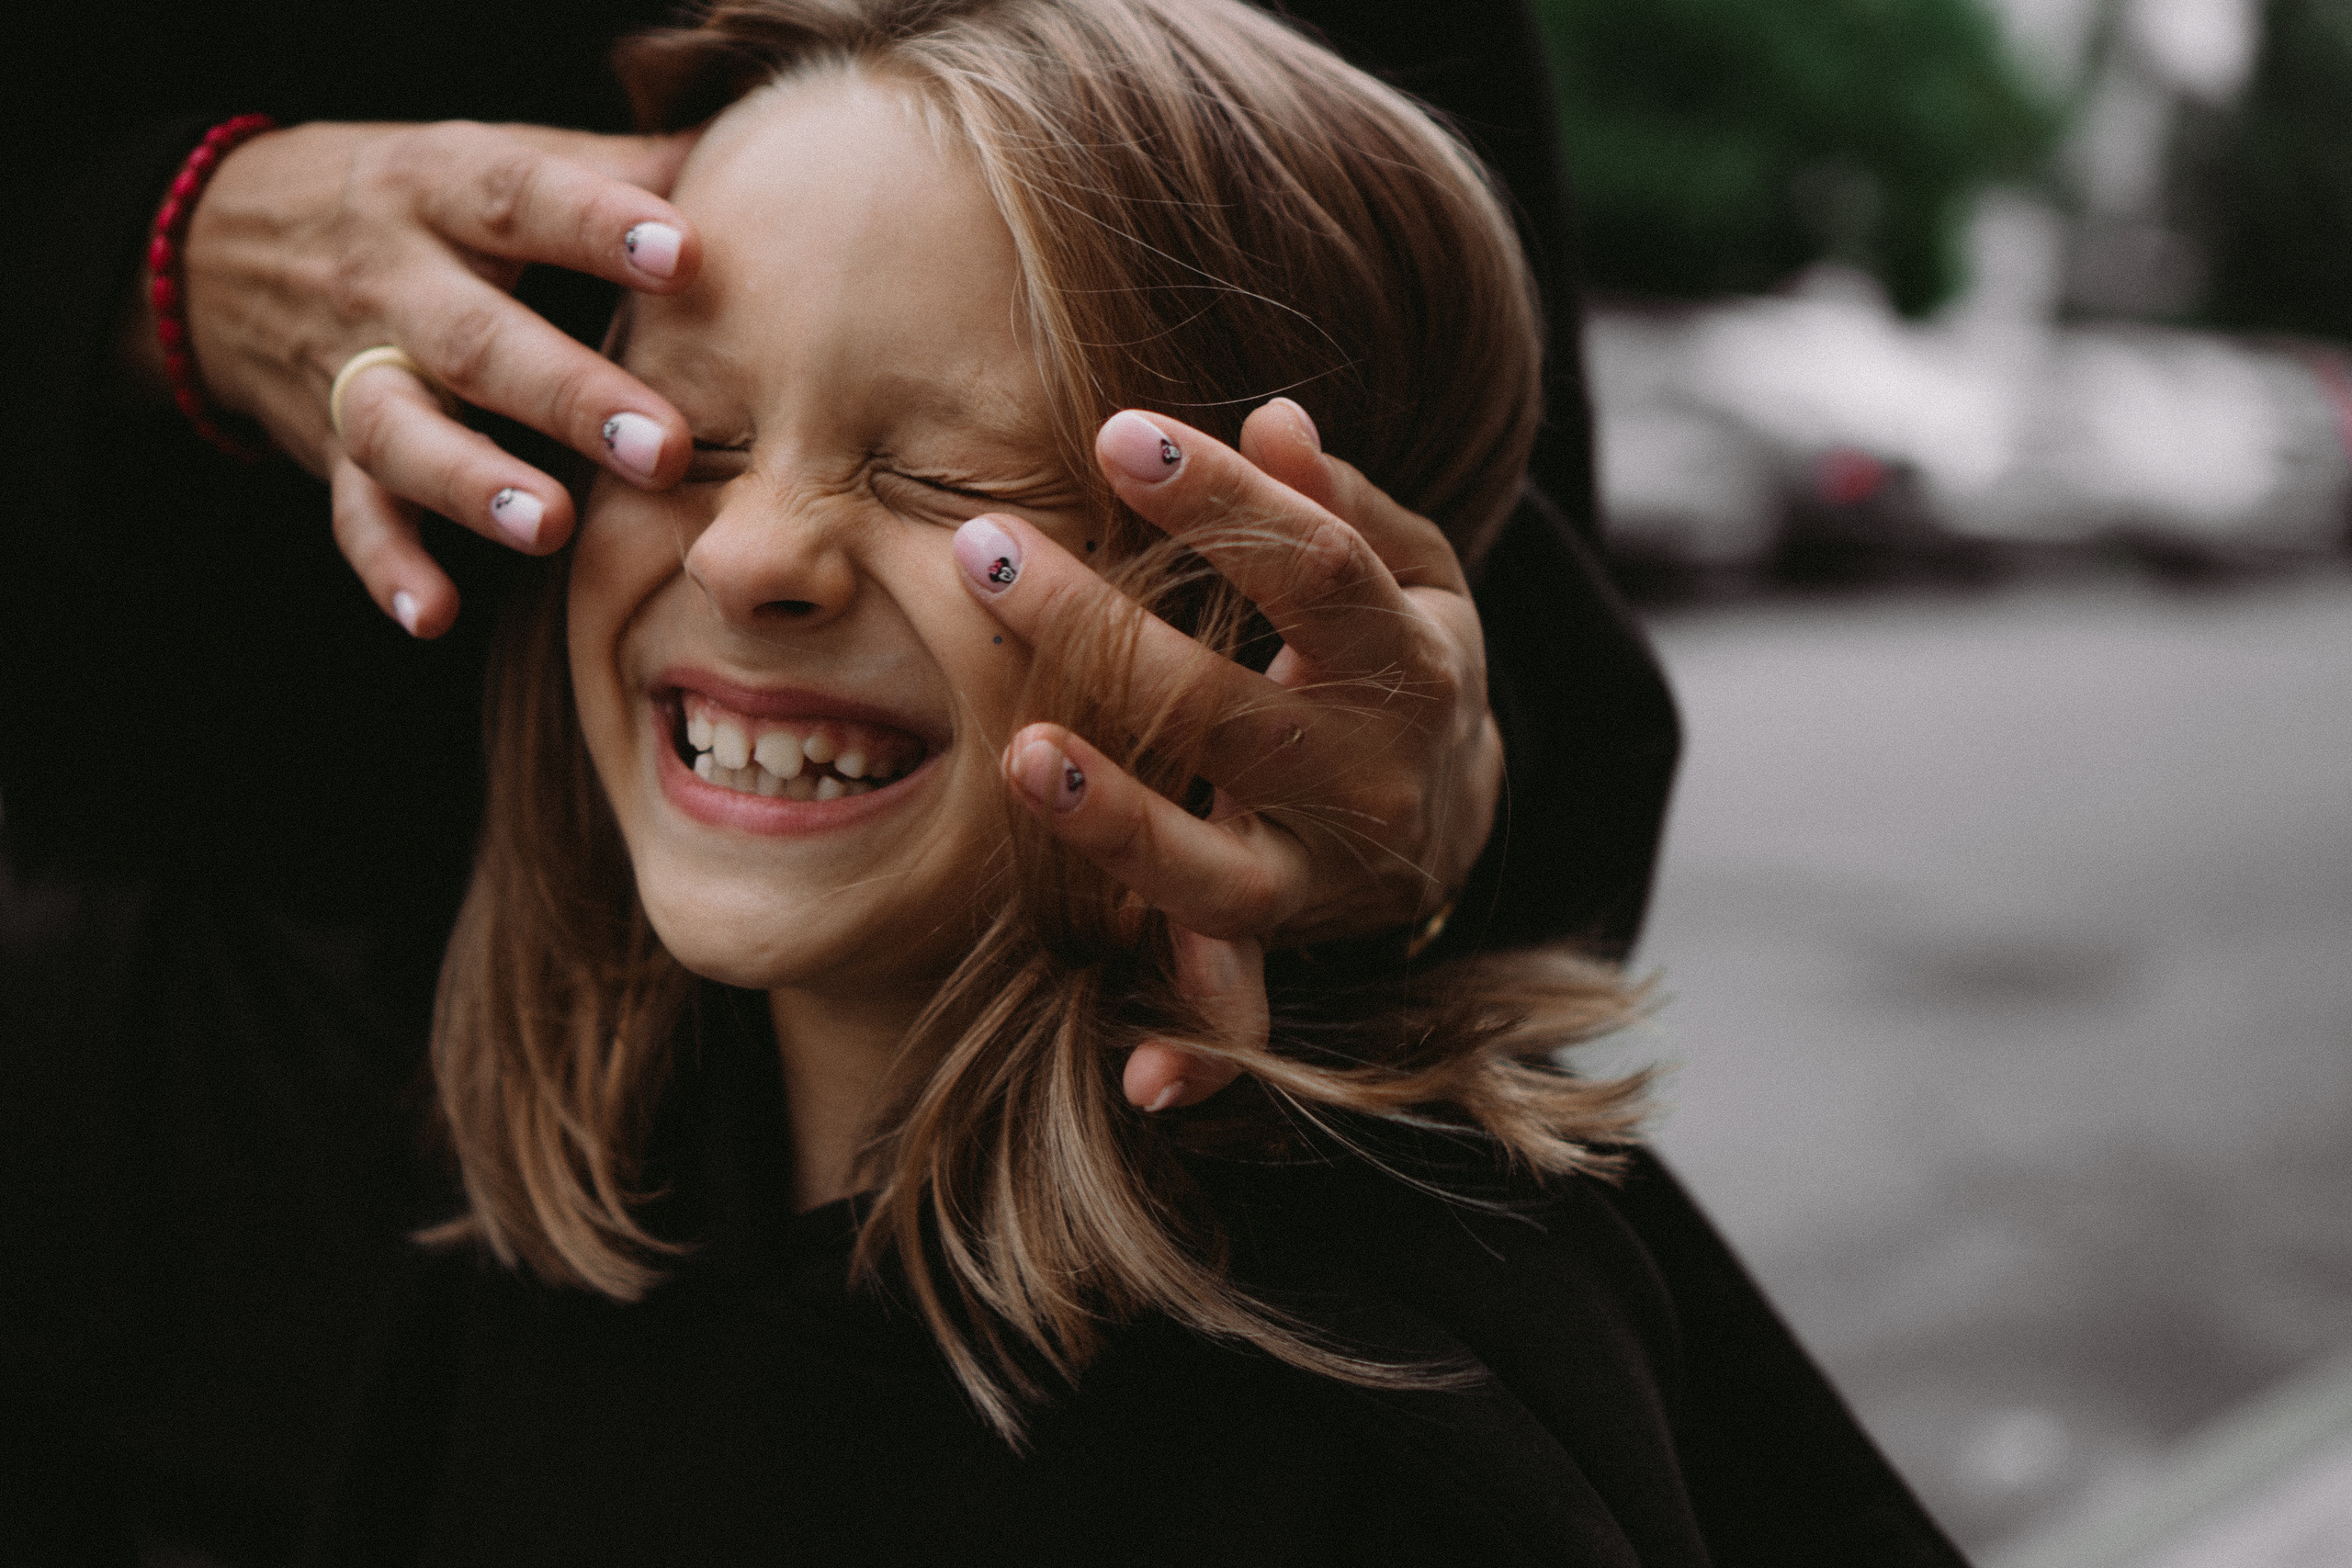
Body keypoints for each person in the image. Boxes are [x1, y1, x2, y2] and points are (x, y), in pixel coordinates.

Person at [0, 2, 1938, 1562]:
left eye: (951, 478)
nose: (756, 552)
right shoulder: (494, 1280)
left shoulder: (1389, 1440)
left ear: (1268, 586)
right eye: (675, 434)